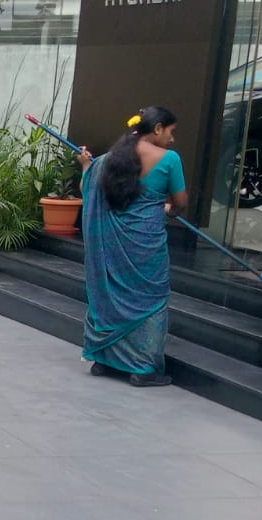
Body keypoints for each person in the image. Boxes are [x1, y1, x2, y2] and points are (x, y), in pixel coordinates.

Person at [74, 105, 189, 387]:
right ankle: (144, 368)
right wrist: (167, 209)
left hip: (112, 245)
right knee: (151, 299)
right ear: (158, 128)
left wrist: (86, 166)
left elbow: (89, 188)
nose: (172, 138)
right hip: (146, 246)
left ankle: (104, 359)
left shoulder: (108, 160)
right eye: (171, 131)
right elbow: (181, 203)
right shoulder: (170, 159)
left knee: (112, 293)